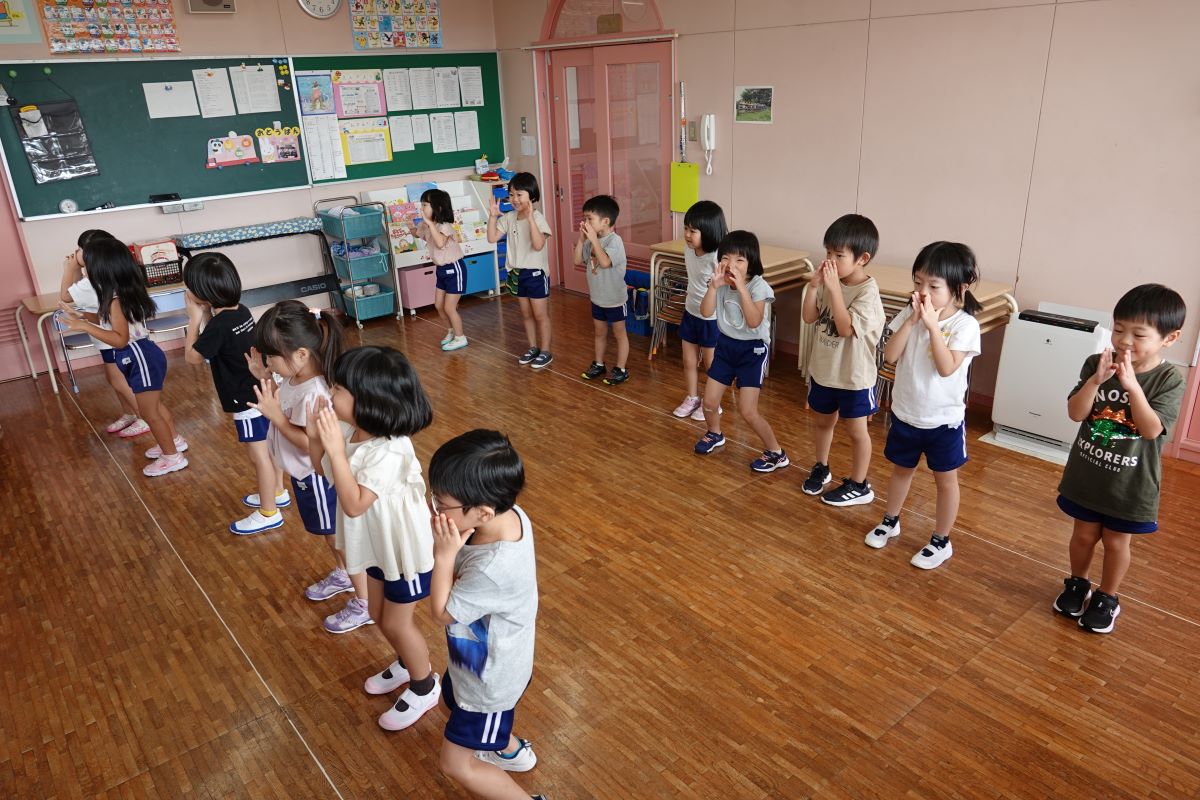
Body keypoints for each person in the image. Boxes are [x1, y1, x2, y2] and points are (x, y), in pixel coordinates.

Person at [309, 346, 441, 728]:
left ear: (367, 400)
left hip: (404, 553)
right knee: (381, 616)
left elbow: (352, 504)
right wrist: (319, 435)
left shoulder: (389, 450)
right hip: (379, 548)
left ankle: (423, 684)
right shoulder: (352, 432)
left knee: (398, 623)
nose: (330, 395)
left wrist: (334, 450)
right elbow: (324, 470)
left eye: (338, 390)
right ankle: (406, 663)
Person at [1052, 284, 1186, 634]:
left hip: (1130, 484)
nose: (1125, 341)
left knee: (1115, 542)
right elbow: (1075, 413)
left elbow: (1151, 430)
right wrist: (1096, 381)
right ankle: (1077, 583)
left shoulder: (1169, 378)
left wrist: (1132, 387)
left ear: (1169, 338)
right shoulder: (1096, 363)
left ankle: (1107, 597)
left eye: (1138, 334)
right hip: (1088, 474)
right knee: (1083, 535)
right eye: (1119, 330)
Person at [428, 430, 545, 800]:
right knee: (450, 702)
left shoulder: (495, 565)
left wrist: (443, 556)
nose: (435, 510)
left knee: (455, 765)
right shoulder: (504, 514)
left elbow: (443, 612)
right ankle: (508, 750)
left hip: (490, 681)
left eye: (441, 504)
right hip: (475, 662)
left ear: (482, 512)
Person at [245, 301, 370, 631]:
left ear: (300, 354)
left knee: (338, 538)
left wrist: (276, 420)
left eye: (271, 357)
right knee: (331, 537)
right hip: (304, 476)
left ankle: (366, 601)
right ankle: (345, 574)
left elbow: (310, 442)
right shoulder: (295, 377)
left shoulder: (314, 393)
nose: (268, 362)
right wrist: (265, 378)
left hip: (317, 477)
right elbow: (280, 402)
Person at [865, 242, 982, 570]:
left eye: (933, 286)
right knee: (901, 471)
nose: (923, 291)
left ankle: (941, 540)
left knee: (945, 480)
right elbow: (890, 355)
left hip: (943, 421)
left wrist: (932, 327)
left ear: (961, 287)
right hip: (905, 412)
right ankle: (891, 520)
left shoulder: (964, 325)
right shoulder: (910, 313)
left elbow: (946, 367)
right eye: (918, 283)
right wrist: (913, 321)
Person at [58, 237, 186, 477]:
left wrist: (83, 326)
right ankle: (173, 442)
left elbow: (119, 339)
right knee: (155, 408)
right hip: (140, 354)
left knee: (149, 413)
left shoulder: (115, 298)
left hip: (139, 355)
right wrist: (82, 317)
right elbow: (106, 321)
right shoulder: (117, 293)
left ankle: (172, 457)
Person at [183, 252, 285, 535]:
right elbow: (216, 343)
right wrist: (205, 314)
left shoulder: (217, 324)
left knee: (259, 456)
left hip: (246, 399)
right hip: (260, 390)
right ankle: (277, 491)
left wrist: (193, 319)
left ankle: (268, 512)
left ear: (202, 295)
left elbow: (193, 357)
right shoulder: (240, 311)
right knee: (270, 447)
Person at [800, 214, 885, 506]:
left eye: (839, 255)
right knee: (824, 423)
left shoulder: (868, 294)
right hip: (825, 371)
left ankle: (860, 484)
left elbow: (846, 328)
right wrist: (813, 288)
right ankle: (821, 467)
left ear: (863, 258)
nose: (830, 261)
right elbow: (810, 317)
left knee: (857, 432)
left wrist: (834, 289)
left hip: (853, 377)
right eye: (828, 253)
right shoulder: (828, 283)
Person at [692, 231, 787, 472]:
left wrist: (741, 287)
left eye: (739, 260)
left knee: (747, 411)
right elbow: (705, 312)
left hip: (752, 350)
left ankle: (776, 452)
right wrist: (713, 288)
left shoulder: (759, 287)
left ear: (751, 263)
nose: (731, 265)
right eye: (726, 258)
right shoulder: (720, 282)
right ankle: (714, 433)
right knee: (710, 402)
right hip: (725, 345)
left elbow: (754, 321)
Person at [59, 229, 148, 438]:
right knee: (117, 380)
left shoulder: (92, 282)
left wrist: (68, 268)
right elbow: (95, 316)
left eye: (81, 249)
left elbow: (65, 295)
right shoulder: (115, 274)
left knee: (119, 381)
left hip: (113, 342)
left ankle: (144, 416)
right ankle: (130, 413)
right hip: (128, 337)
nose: (77, 252)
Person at [488, 173, 555, 369]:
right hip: (517, 273)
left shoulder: (538, 217)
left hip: (535, 273)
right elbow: (492, 238)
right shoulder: (508, 218)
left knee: (540, 315)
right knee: (526, 314)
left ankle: (545, 351)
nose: (515, 199)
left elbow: (537, 245)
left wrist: (531, 219)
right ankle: (533, 347)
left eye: (519, 194)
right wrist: (492, 217)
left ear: (531, 195)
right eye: (511, 195)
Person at [671, 201, 728, 420]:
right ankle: (692, 397)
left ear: (710, 231)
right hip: (690, 312)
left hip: (711, 318)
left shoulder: (717, 258)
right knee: (688, 361)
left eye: (693, 231)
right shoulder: (689, 249)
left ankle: (713, 403)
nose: (687, 234)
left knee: (711, 364)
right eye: (686, 228)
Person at [574, 194, 630, 385]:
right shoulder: (590, 241)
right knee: (599, 332)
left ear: (605, 221)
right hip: (597, 298)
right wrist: (582, 240)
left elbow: (605, 262)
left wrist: (593, 241)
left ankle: (621, 368)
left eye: (590, 218)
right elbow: (576, 261)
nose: (586, 222)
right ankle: (599, 364)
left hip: (615, 299)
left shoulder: (615, 241)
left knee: (619, 333)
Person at [418, 188, 469, 352]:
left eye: (425, 204)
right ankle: (451, 331)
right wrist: (405, 226)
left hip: (454, 269)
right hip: (441, 270)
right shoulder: (427, 226)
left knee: (449, 307)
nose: (422, 208)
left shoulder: (445, 226)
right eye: (422, 204)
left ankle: (460, 337)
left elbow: (440, 243)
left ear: (438, 208)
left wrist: (430, 224)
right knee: (438, 305)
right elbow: (418, 233)